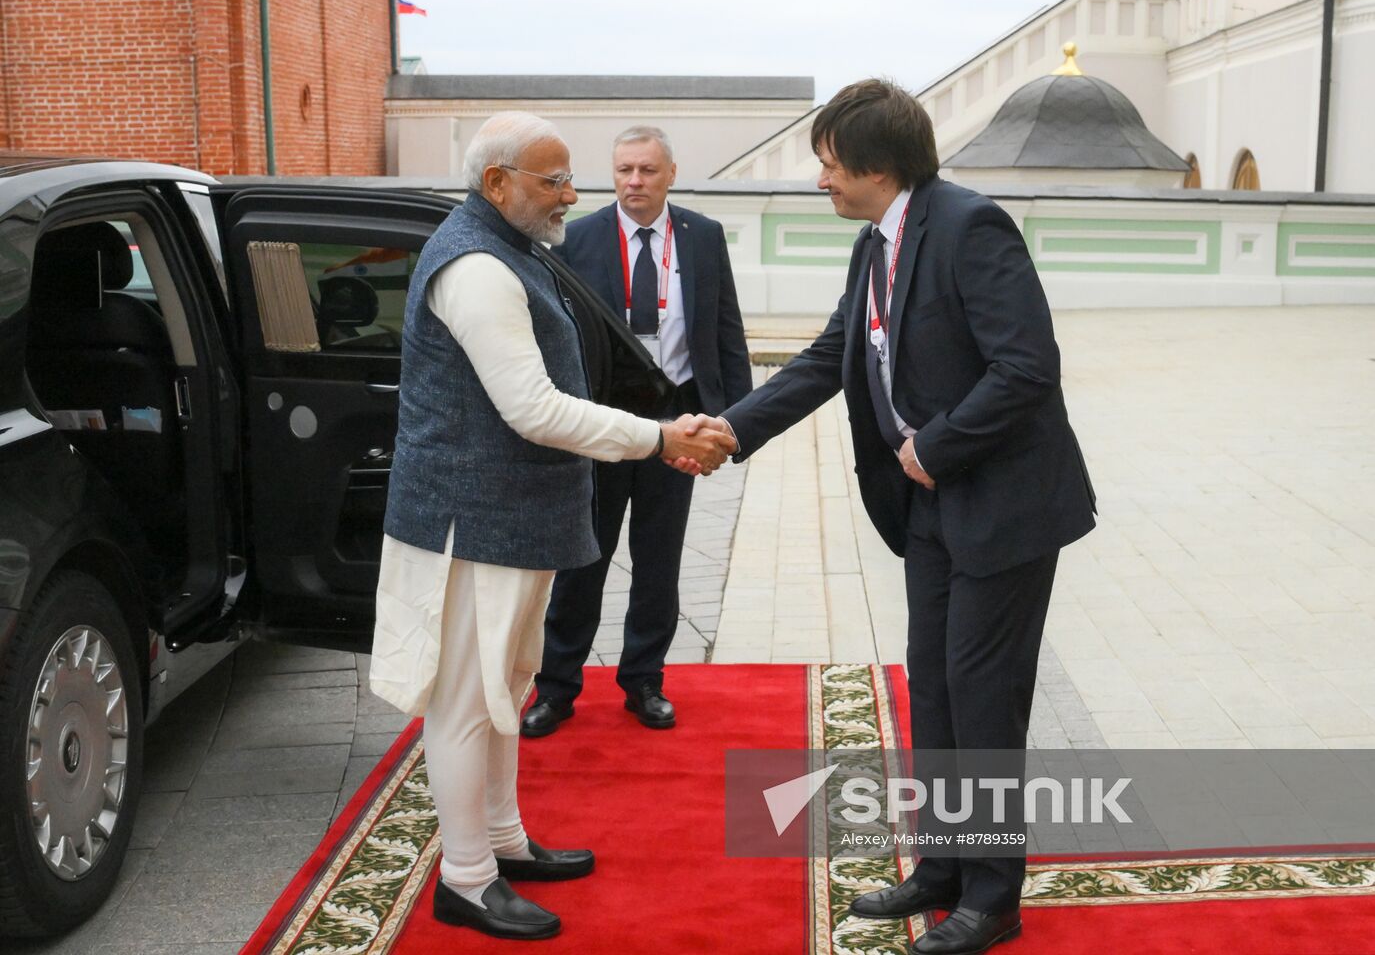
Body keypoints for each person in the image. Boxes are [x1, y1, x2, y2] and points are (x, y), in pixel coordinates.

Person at [686, 79, 1096, 955]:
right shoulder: (876, 240)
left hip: (1001, 508)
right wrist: (733, 428)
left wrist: (935, 447)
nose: (821, 181)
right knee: (937, 693)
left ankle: (993, 898)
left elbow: (1026, 367)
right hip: (929, 512)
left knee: (984, 705)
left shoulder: (967, 226)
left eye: (829, 165)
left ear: (877, 166)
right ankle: (940, 870)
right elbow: (836, 351)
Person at [368, 112, 733, 941]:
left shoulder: (512, 249)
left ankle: (501, 842)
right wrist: (659, 436)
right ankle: (465, 878)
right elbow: (531, 409)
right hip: (474, 521)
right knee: (466, 701)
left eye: (571, 178)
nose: (572, 195)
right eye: (553, 180)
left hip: (514, 518)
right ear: (497, 184)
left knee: (505, 691)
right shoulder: (476, 267)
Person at [521, 126, 753, 737]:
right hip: (600, 424)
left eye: (647, 171)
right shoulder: (580, 237)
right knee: (582, 561)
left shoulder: (701, 237)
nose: (634, 182)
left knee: (659, 563)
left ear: (670, 173)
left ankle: (644, 681)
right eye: (624, 170)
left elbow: (725, 327)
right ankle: (557, 688)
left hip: (677, 421)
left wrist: (737, 421)